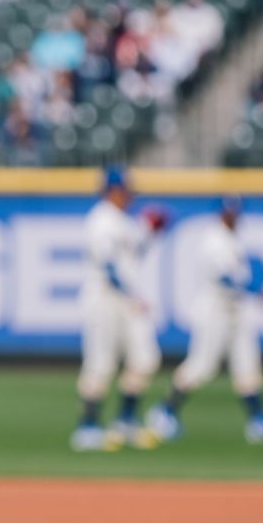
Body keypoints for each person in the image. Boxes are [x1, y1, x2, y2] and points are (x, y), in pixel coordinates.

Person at [144, 196, 263, 445]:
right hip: (215, 311)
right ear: (220, 213)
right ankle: (165, 411)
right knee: (202, 366)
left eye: (236, 211)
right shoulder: (213, 239)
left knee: (248, 366)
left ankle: (259, 420)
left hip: (237, 311)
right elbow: (224, 278)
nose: (234, 216)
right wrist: (257, 290)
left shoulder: (231, 238)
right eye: (229, 212)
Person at [71, 165, 168, 451]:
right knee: (100, 364)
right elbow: (108, 266)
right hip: (103, 297)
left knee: (145, 359)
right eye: (124, 190)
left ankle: (125, 421)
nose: (128, 196)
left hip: (126, 299)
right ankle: (87, 427)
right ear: (111, 191)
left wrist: (152, 232)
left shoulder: (123, 221)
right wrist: (132, 295)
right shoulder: (100, 220)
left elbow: (134, 254)